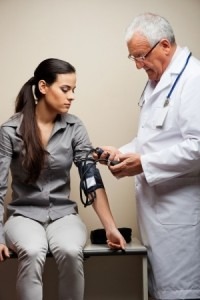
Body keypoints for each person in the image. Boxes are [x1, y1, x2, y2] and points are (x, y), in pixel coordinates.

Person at [0, 58, 126, 300]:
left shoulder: (75, 127)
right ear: (44, 87)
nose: (72, 96)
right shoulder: (10, 131)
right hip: (23, 215)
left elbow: (91, 178)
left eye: (73, 90)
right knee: (33, 250)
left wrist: (111, 228)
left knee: (70, 250)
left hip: (63, 214)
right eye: (65, 89)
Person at [96, 13, 200, 300]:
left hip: (180, 216)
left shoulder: (194, 80)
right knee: (158, 291)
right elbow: (151, 140)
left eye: (141, 56)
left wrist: (143, 163)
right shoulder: (158, 81)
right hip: (157, 216)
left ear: (164, 45)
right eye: (133, 58)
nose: (138, 65)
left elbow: (198, 146)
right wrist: (122, 153)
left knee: (181, 293)